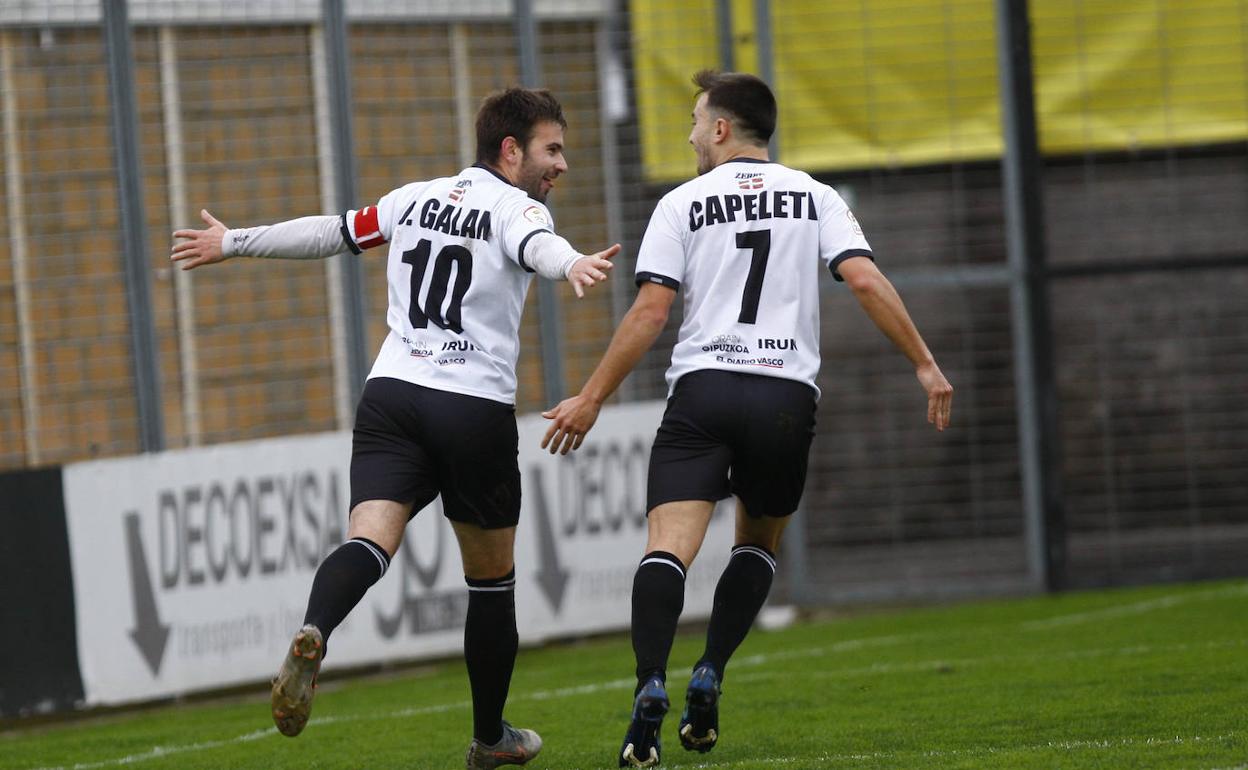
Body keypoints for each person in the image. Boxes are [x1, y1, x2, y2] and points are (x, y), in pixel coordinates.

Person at [172, 87, 618, 770]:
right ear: (510, 150)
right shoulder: (518, 209)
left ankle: (316, 628)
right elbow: (537, 245)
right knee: (491, 583)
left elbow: (332, 231)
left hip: (393, 395)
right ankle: (490, 738)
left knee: (370, 538)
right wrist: (573, 263)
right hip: (471, 408)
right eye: (551, 149)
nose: (561, 164)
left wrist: (233, 241)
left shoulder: (414, 198)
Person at [540, 70, 953, 767]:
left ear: (723, 129)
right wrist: (923, 363)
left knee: (667, 548)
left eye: (697, 120)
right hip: (783, 397)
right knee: (757, 544)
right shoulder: (817, 196)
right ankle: (711, 673)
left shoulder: (680, 204)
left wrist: (590, 398)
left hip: (703, 392)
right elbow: (864, 278)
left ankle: (648, 688)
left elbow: (650, 311)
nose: (691, 132)